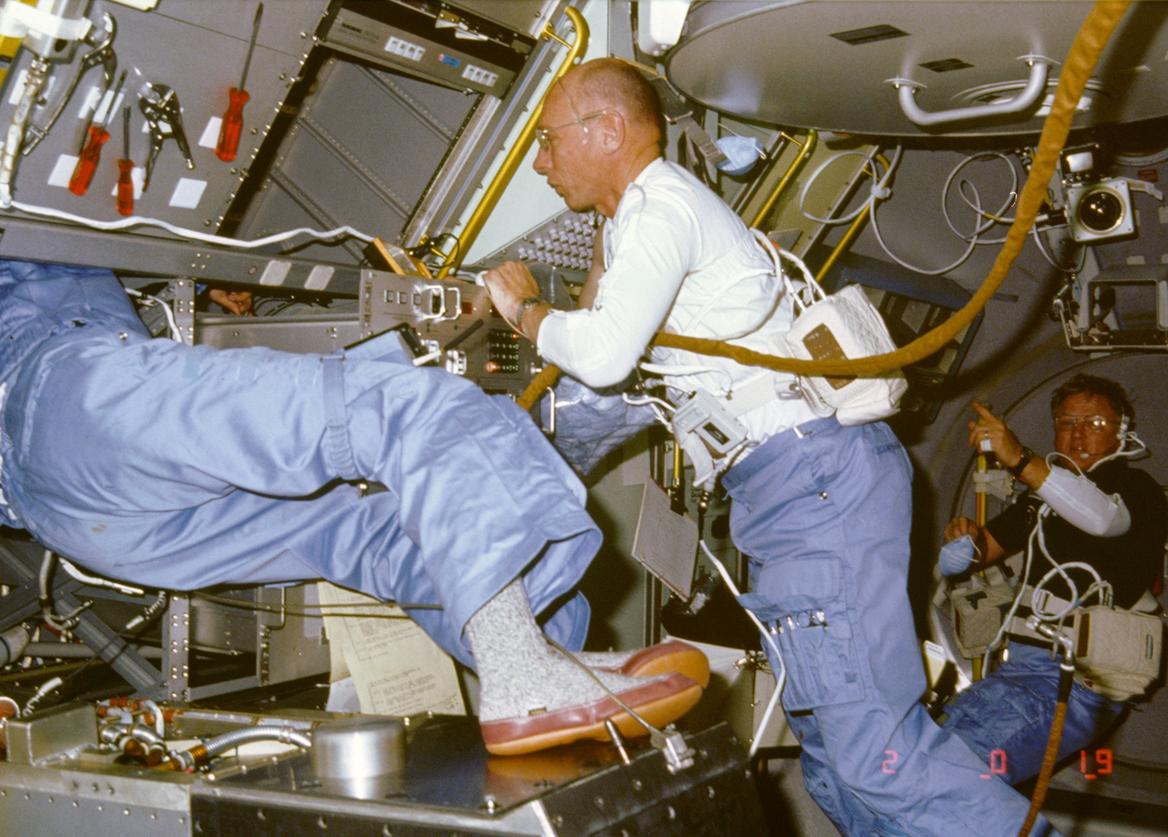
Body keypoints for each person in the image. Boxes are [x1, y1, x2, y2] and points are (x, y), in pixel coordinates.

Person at [485, 57, 1053, 836]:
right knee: (829, 755)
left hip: (815, 483)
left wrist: (521, 310)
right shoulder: (639, 220)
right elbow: (598, 332)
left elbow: (608, 353)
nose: (542, 161)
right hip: (790, 491)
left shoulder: (664, 208)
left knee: (874, 752)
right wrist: (601, 238)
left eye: (549, 141)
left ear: (607, 129)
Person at [0, 257, 709, 756]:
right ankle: (523, 670)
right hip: (66, 407)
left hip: (82, 517)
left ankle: (544, 658)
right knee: (401, 408)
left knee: (371, 532)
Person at [938, 374, 1168, 785]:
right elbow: (984, 549)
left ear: (1122, 432)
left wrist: (1021, 459)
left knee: (954, 775)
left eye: (1094, 423)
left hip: (1077, 682)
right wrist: (964, 539)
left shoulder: (1137, 491)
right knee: (931, 753)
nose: (1078, 434)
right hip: (1021, 672)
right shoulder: (1041, 502)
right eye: (1067, 423)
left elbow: (1101, 519)